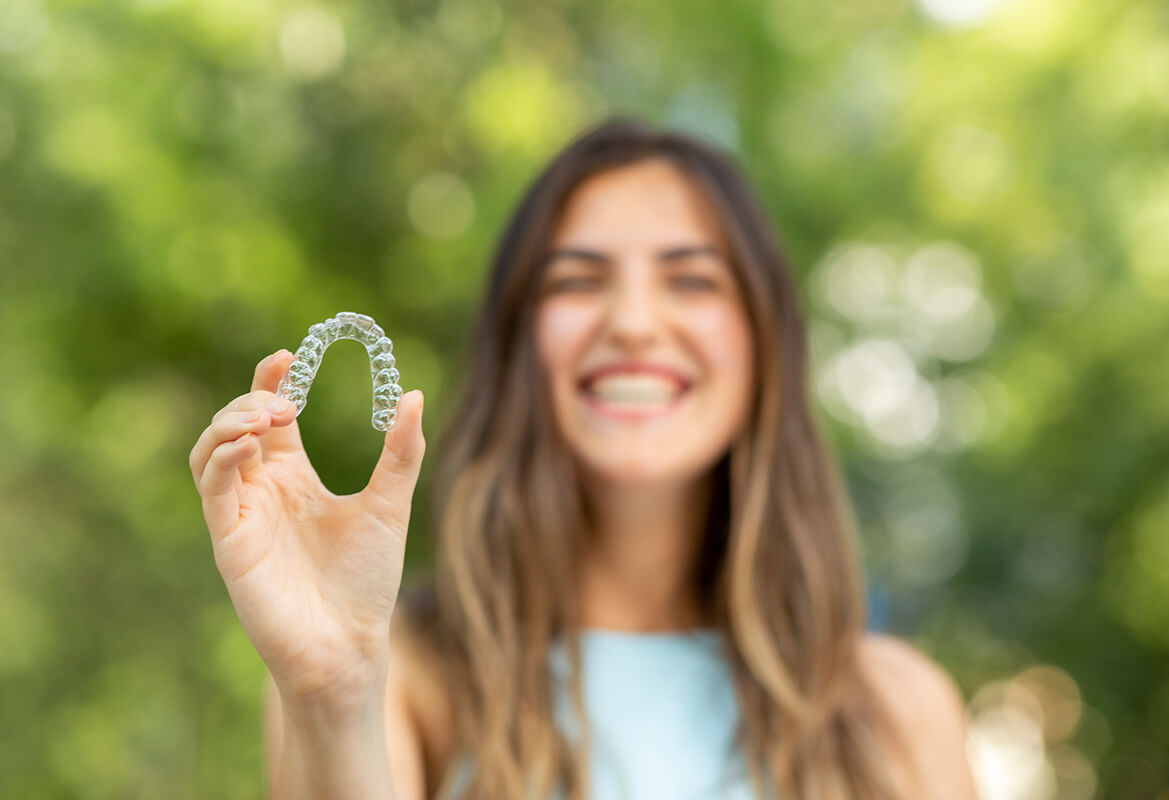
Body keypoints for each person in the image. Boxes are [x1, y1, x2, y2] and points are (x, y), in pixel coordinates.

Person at [189, 118, 978, 800]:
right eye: (578, 279)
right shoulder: (395, 676)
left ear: (763, 342)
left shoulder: (899, 711)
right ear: (520, 346)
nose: (633, 322)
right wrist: (332, 694)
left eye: (692, 279)